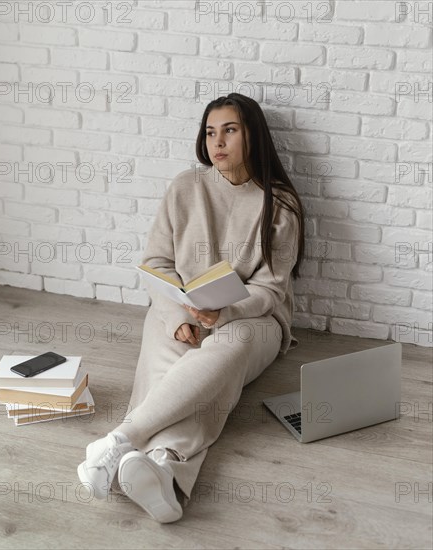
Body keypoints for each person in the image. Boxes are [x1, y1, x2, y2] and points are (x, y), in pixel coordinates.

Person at [77, 92, 305, 523]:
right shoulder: (186, 187)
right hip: (179, 308)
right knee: (176, 372)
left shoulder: (280, 206)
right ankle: (163, 468)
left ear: (253, 136)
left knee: (225, 355)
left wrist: (226, 314)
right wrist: (180, 317)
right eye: (210, 132)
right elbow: (157, 263)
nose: (218, 142)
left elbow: (270, 290)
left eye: (230, 131)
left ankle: (120, 440)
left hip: (254, 319)